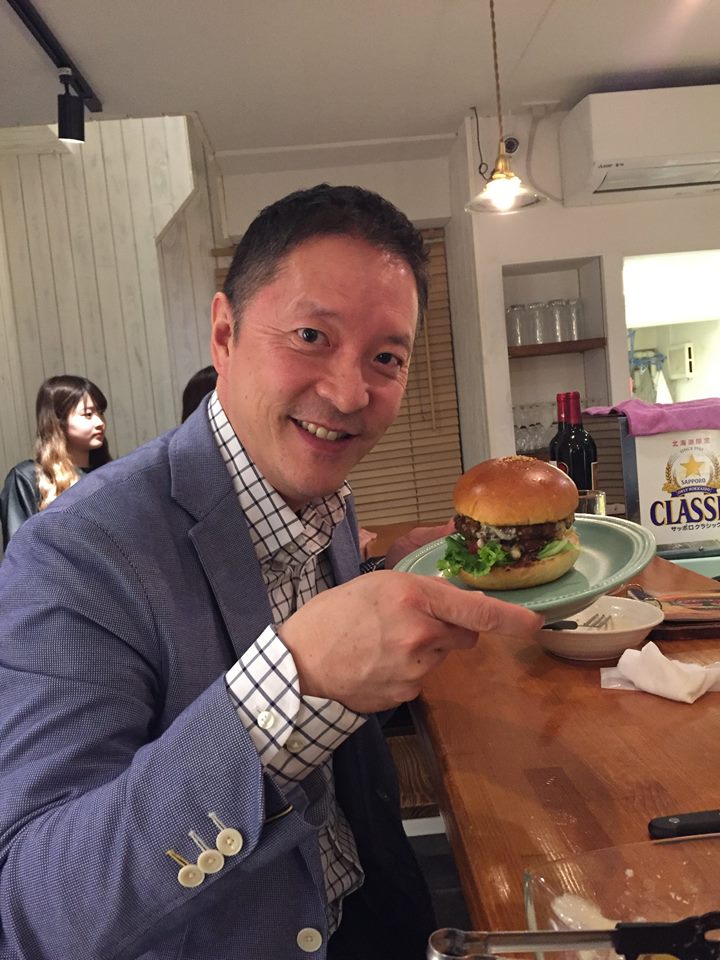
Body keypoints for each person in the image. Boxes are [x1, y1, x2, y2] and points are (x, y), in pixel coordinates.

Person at [0, 184, 541, 960]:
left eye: (386, 358)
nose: (350, 393)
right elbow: (35, 907)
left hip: (385, 912)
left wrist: (401, 597)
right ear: (224, 333)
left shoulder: (329, 499)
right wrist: (292, 681)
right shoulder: (77, 550)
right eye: (311, 336)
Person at [0, 374, 111, 549]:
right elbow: (18, 552)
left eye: (101, 413)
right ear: (58, 420)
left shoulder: (110, 474)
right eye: (88, 414)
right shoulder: (27, 478)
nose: (100, 422)